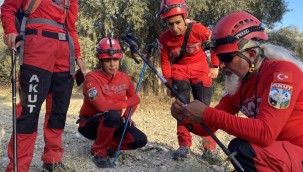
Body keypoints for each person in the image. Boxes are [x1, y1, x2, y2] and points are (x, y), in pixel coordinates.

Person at [171, 11, 303, 171]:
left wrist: (205, 113)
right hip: (280, 153)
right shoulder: (239, 84)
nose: (221, 65)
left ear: (251, 54)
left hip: (298, 153)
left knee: (242, 149)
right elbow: (208, 127)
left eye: (226, 58)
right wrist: (185, 116)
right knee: (240, 148)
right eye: (218, 58)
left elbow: (266, 133)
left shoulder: (283, 73)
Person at [1, 0, 86, 171]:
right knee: (29, 109)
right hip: (37, 47)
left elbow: (71, 27)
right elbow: (8, 8)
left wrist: (78, 54)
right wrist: (10, 30)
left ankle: (52, 160)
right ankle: (19, 166)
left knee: (58, 110)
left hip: (65, 54)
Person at [158, 0, 219, 160]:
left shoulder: (198, 29)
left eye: (178, 22)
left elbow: (214, 44)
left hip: (201, 71)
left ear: (185, 17)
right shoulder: (165, 38)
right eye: (170, 24)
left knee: (204, 110)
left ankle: (209, 146)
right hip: (179, 71)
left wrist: (215, 66)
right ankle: (184, 144)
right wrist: (168, 81)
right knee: (181, 108)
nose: (175, 28)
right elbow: (164, 61)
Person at [77, 37, 147, 168]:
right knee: (113, 115)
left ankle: (107, 145)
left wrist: (127, 116)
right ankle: (99, 151)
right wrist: (127, 103)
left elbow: (135, 100)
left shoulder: (124, 78)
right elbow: (102, 106)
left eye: (115, 60)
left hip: (112, 122)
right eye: (108, 60)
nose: (112, 64)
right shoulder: (91, 78)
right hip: (89, 124)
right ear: (100, 60)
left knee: (140, 139)